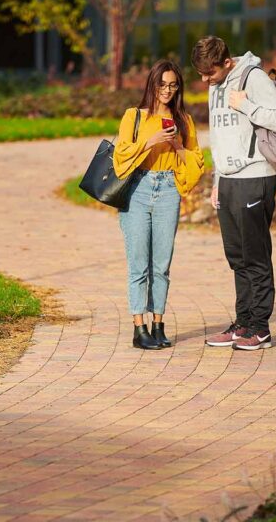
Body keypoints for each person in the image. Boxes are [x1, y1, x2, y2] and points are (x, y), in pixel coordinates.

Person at [191, 36, 276, 351]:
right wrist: (218, 179)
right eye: (201, 74)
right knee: (237, 256)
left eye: (210, 73)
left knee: (255, 255)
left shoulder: (254, 77)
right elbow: (220, 135)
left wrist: (245, 104)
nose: (205, 80)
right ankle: (243, 322)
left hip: (255, 176)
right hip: (230, 180)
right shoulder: (214, 85)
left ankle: (260, 328)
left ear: (227, 63)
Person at [114, 59, 205, 350]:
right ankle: (138, 328)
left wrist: (177, 145)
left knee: (162, 265)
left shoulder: (184, 121)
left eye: (173, 85)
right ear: (152, 84)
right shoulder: (134, 116)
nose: (167, 90)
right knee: (139, 264)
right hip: (138, 189)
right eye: (162, 84)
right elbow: (121, 156)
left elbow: (195, 165)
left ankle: (158, 325)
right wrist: (151, 141)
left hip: (168, 190)